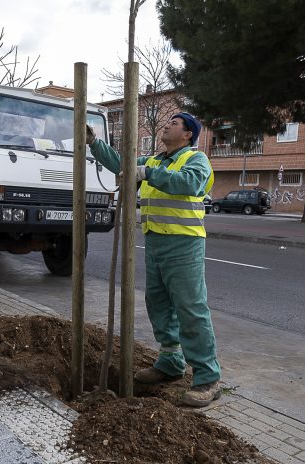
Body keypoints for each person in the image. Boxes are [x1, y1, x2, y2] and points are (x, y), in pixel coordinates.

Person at [86, 112, 221, 407]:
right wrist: (94, 143)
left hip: (184, 244)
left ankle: (208, 377)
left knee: (191, 308)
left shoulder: (195, 161)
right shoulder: (155, 160)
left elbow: (188, 184)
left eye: (173, 123)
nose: (166, 126)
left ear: (188, 134)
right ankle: (171, 362)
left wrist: (147, 173)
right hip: (156, 241)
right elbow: (123, 166)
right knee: (158, 303)